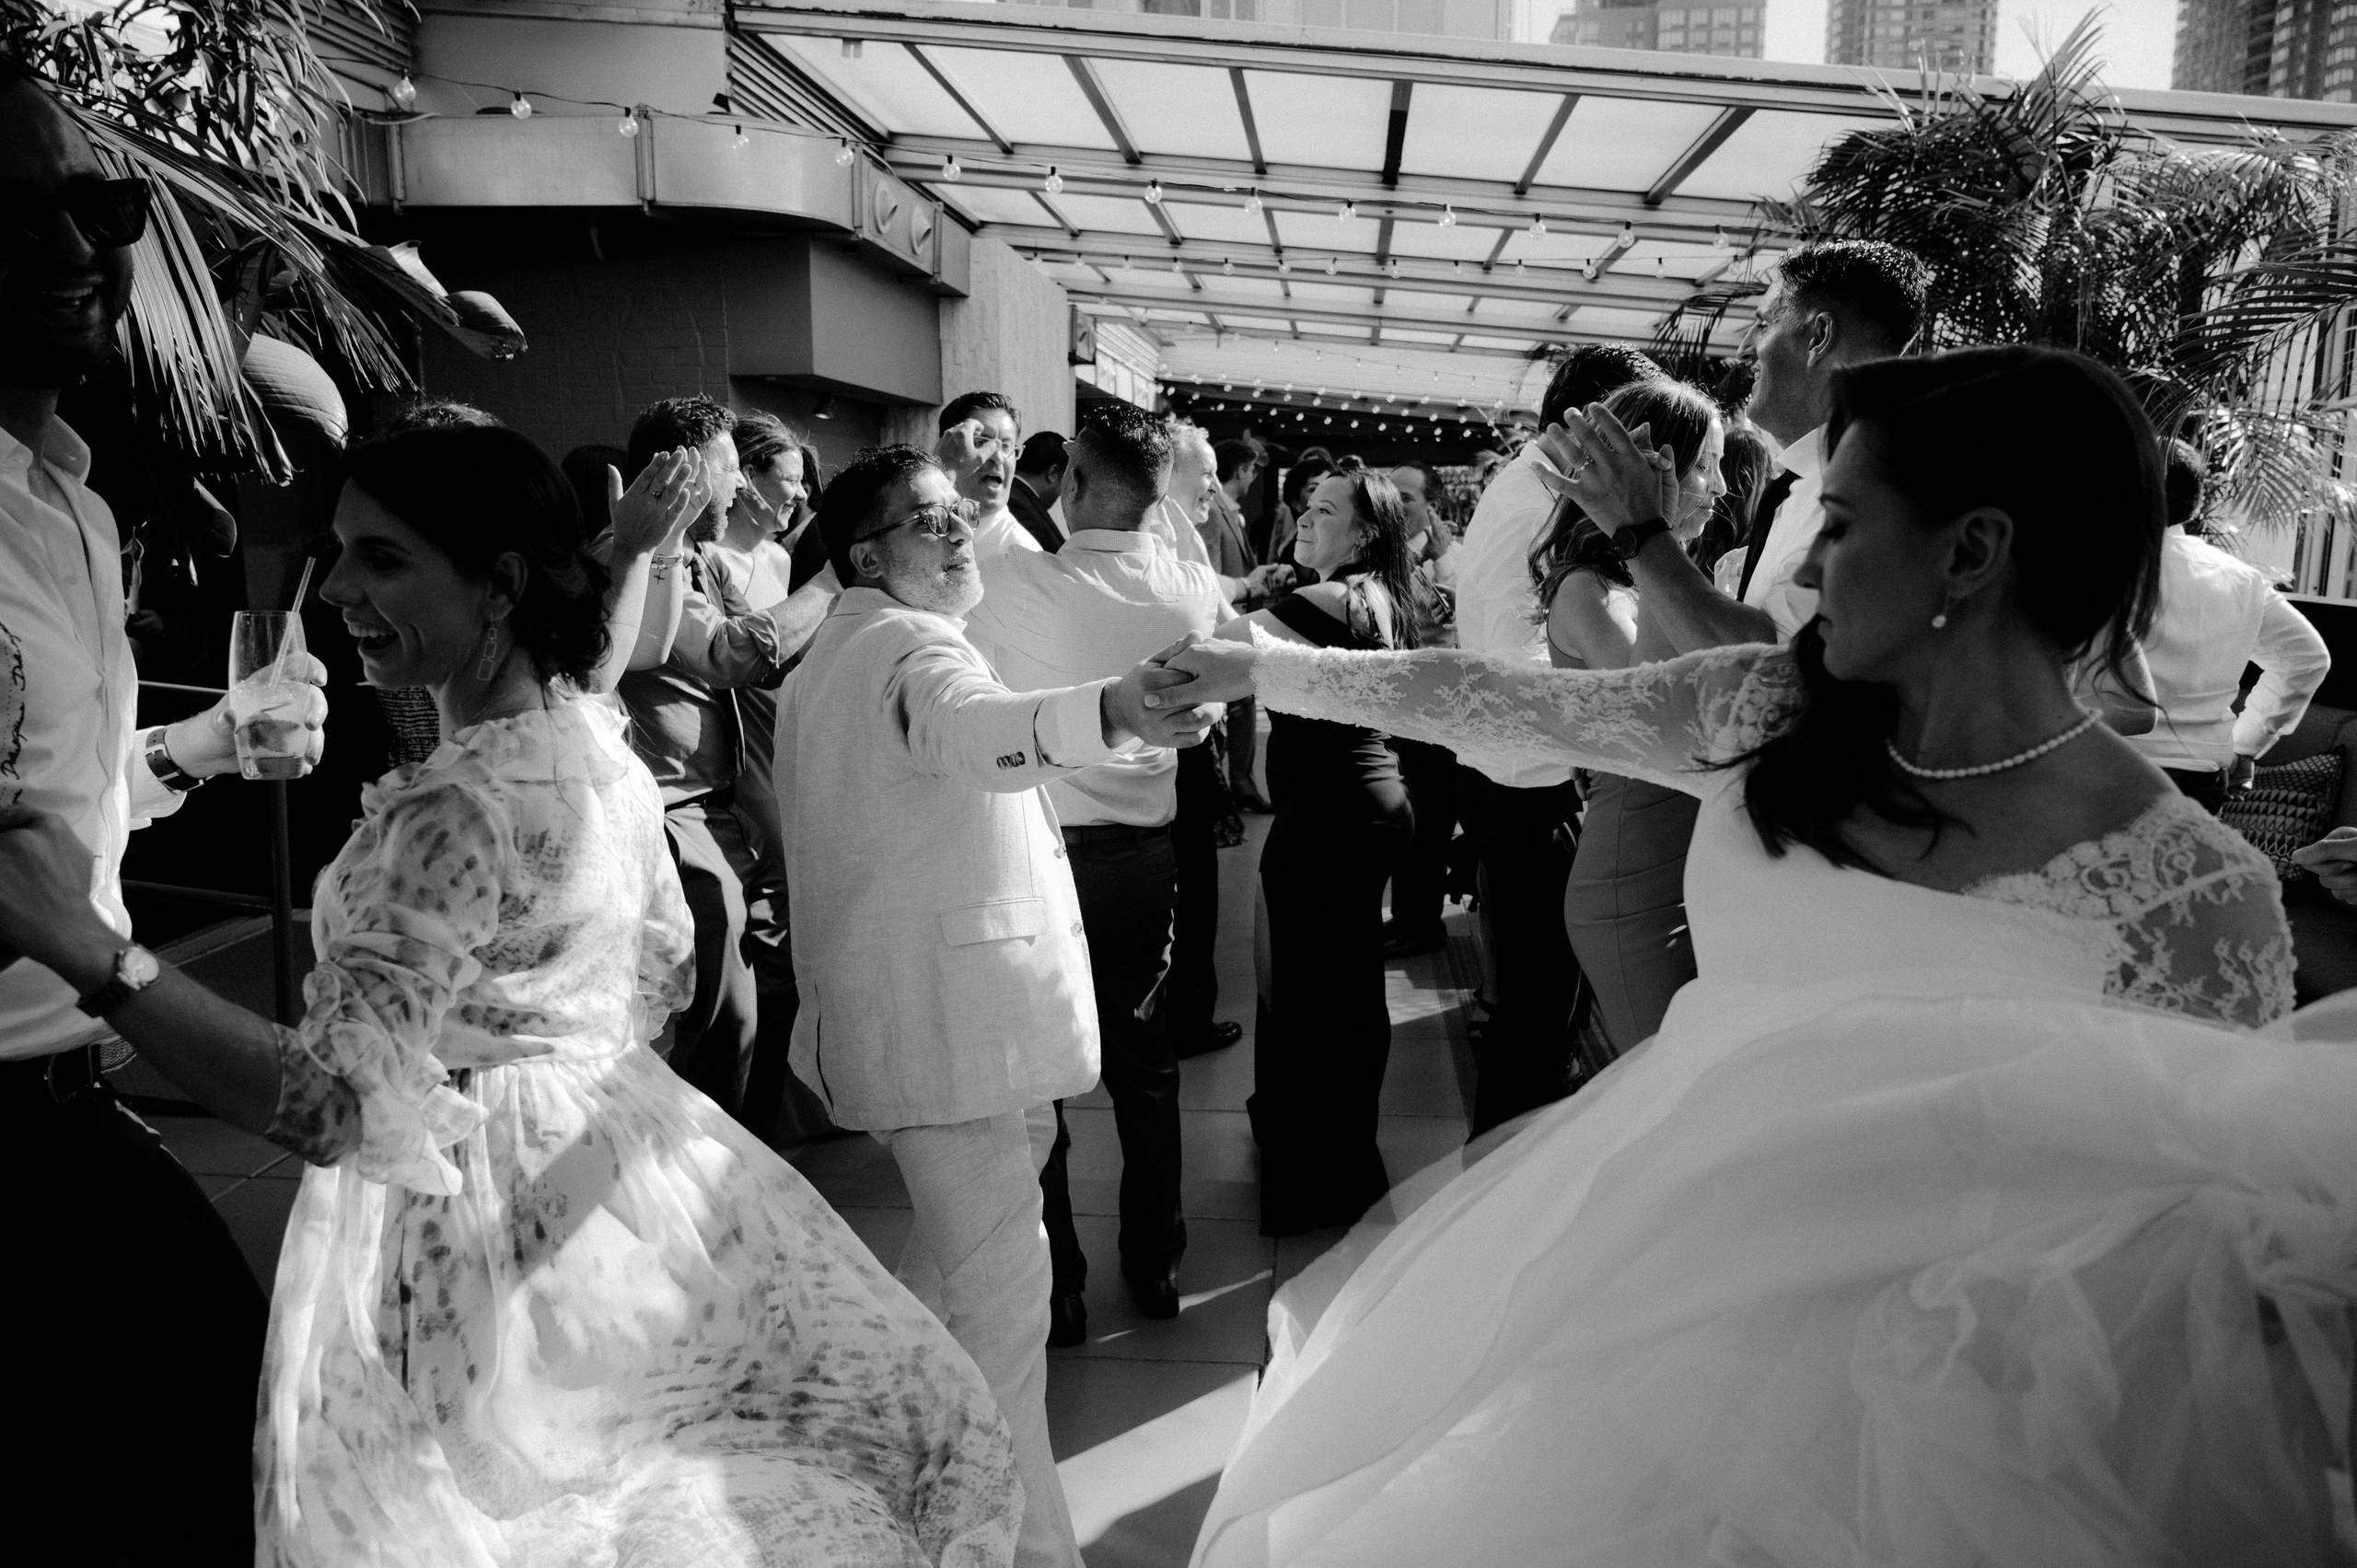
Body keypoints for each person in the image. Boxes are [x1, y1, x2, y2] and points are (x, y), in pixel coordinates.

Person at [1159, 345, 2341, 1567]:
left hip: (1953, 1435)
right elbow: (1495, 699)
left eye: (1838, 525)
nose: (1812, 566)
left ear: (1972, 552)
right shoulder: (1767, 710)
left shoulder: (2195, 891)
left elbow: (2223, 1275)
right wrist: (1253, 666)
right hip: (1656, 1317)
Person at [0, 423, 1026, 1564]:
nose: (336, 586)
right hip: (617, 1192)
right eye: (341, 551)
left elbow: (333, 1106)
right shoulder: (597, 747)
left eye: (381, 559)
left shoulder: (446, 811)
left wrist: (101, 954)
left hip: (466, 1226)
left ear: (496, 585)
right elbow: (660, 976)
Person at [777, 445, 1220, 1568]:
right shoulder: (904, 647)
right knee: (1004, 1320)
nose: (958, 531)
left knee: (947, 1278)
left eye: (955, 514)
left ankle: (866, 1451)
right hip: (945, 1034)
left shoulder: (842, 642)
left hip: (937, 1029)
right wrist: (1118, 704)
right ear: (868, 554)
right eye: (927, 522)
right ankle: (1024, 1548)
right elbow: (978, 726)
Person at [0, 61, 329, 1562]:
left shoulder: (58, 496)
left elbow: (43, 817)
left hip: (66, 1097)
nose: (78, 245)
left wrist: (194, 745)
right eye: (19, 209)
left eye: (100, 203)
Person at [965, 406, 1230, 1343]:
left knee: (1039, 1069)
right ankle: (1153, 1260)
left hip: (1038, 854)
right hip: (1141, 861)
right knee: (1145, 1068)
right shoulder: (1191, 589)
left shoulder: (1009, 584)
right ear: (1158, 499)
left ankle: (1061, 1284)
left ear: (1072, 485)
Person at [1448, 343, 1661, 1135]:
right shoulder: (1544, 494)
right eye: (1632, 425)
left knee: (1534, 1001)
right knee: (1539, 1006)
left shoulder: (1531, 481)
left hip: (1510, 765)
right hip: (1529, 775)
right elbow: (1554, 647)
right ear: (1591, 419)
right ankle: (1498, 1175)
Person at [1219, 470, 1421, 1236]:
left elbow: (1216, 650)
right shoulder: (1377, 595)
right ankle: (1336, 1156)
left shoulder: (1334, 600)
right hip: (1359, 806)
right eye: (1306, 506)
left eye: (1326, 511)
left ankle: (1318, 1174)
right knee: (1340, 990)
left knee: (1310, 996)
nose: (1306, 518)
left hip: (1332, 817)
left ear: (1366, 534)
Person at [608, 397, 816, 1135]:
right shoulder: (630, 556)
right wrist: (831, 591)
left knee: (758, 993)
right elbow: (726, 655)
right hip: (672, 805)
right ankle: (703, 1172)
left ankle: (747, 1154)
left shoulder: (691, 556)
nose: (744, 491)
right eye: (733, 472)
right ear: (688, 473)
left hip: (722, 803)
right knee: (720, 1017)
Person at [1529, 378, 1726, 1058]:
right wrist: (1653, 536)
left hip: (1681, 870)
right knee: (1669, 1087)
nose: (1722, 487)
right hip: (1634, 886)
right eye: (1708, 464)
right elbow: (1653, 709)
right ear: (1653, 472)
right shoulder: (1591, 592)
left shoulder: (1663, 582)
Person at [1667, 239, 1930, 646]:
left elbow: (1769, 666)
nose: (1744, 349)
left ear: (1819, 337)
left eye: (1764, 324)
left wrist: (1642, 532)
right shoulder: (1800, 482)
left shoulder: (1865, 492)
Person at [2128, 439, 2328, 811]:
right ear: (2195, 501)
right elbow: (2308, 658)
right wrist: (2246, 745)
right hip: (2199, 783)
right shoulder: (2243, 579)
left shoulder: (2087, 570)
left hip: (2099, 773)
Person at [1380, 459, 1460, 958]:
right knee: (1407, 823)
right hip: (1399, 709)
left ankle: (1421, 924)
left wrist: (1444, 563)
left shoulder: (1446, 562)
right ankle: (1408, 916)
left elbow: (1454, 625)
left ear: (1431, 507)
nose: (1394, 504)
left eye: (1406, 497)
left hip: (1435, 711)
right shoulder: (1387, 556)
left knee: (1427, 824)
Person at [1209, 438, 1272, 810]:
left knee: (1241, 704)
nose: (1253, 479)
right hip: (1227, 628)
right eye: (1252, 470)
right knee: (1231, 707)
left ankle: (1240, 781)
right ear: (1241, 470)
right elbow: (1213, 574)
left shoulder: (1228, 511)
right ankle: (1235, 784)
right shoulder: (1216, 512)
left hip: (1238, 622)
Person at [937, 389, 1039, 562]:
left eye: (1007, 446)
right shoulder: (917, 526)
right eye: (981, 442)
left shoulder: (1024, 557)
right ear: (946, 446)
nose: (997, 458)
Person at [1009, 429, 1069, 552]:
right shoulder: (1019, 506)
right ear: (1052, 473)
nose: (1061, 493)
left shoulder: (1019, 498)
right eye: (1065, 480)